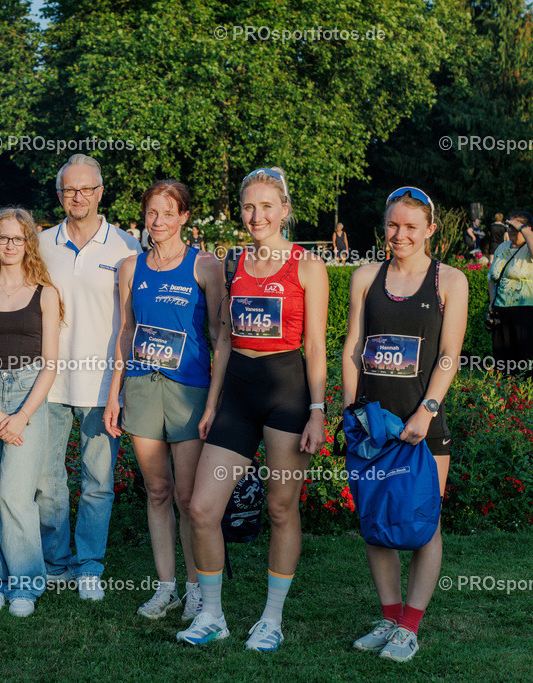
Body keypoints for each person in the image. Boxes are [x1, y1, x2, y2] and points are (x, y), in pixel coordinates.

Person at [183, 167, 328, 651]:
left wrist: (317, 410)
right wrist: (211, 403)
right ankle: (213, 616)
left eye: (267, 206)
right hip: (238, 395)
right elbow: (223, 337)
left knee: (281, 509)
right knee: (202, 509)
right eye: (249, 206)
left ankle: (271, 618)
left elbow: (315, 346)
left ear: (285, 210)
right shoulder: (234, 263)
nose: (257, 215)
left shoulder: (307, 266)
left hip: (286, 393)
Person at [342, 186, 468, 662]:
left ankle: (410, 626)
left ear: (430, 230)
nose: (400, 234)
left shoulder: (449, 281)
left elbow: (449, 356)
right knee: (375, 525)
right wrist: (351, 411)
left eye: (411, 227)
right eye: (394, 225)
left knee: (423, 526)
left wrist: (426, 410)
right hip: (374, 429)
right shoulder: (364, 277)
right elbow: (353, 348)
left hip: (423, 430)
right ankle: (390, 618)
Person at [104, 181, 228, 621]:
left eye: (168, 213)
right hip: (141, 386)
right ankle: (167, 587)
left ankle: (198, 589)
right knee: (157, 491)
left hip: (189, 392)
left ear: (184, 218)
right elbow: (125, 330)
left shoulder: (206, 266)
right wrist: (114, 393)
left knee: (188, 496)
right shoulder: (129, 267)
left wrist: (214, 402)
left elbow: (220, 338)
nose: (158, 222)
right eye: (152, 213)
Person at [35, 155, 142, 599]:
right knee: (48, 482)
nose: (77, 197)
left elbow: (134, 320)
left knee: (98, 484)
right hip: (50, 384)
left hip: (103, 387)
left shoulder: (127, 246)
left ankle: (90, 566)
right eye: (68, 190)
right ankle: (56, 563)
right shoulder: (39, 244)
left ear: (100, 192)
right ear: (59, 194)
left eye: (86, 189)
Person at [0, 208, 63, 617]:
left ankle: (24, 584)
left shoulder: (47, 293)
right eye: (3, 237)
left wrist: (20, 416)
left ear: (29, 244)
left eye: (18, 239)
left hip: (28, 394)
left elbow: (51, 362)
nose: (10, 245)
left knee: (16, 495)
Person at [488, 211, 533, 377]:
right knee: (503, 357)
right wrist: (492, 301)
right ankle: (505, 391)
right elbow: (492, 277)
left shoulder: (529, 247)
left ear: (527, 228)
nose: (511, 230)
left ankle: (525, 396)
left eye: (515, 228)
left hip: (525, 310)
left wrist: (523, 228)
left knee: (525, 355)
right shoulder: (502, 247)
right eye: (510, 227)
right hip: (501, 308)